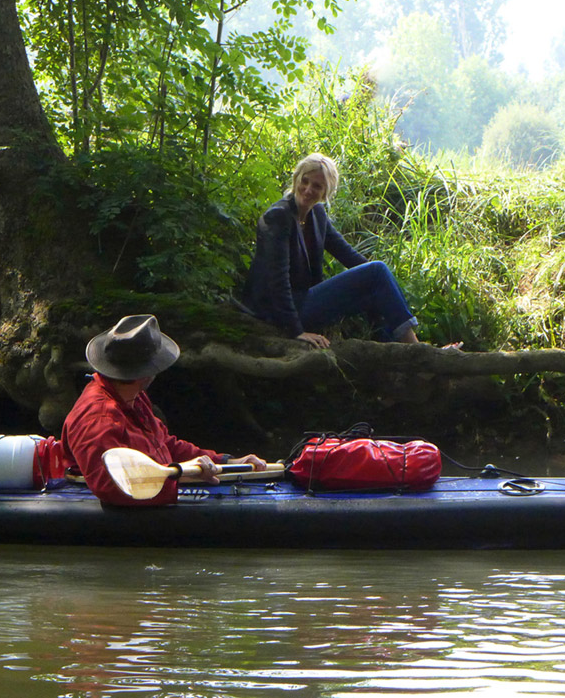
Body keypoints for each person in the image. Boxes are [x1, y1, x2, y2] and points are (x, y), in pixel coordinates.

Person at [243, 152, 458, 349]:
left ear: (326, 192)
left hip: (303, 301)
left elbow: (349, 256)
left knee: (375, 286)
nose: (308, 190)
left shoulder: (316, 214)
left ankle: (400, 353)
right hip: (277, 312)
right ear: (296, 179)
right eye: (304, 181)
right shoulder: (279, 217)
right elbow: (276, 281)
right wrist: (296, 331)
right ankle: (420, 351)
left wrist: (386, 283)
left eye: (317, 186)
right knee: (376, 272)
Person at [60, 314, 266, 506]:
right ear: (148, 373)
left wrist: (227, 461)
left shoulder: (133, 397)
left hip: (158, 487)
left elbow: (165, 445)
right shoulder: (98, 417)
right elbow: (112, 487)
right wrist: (179, 477)